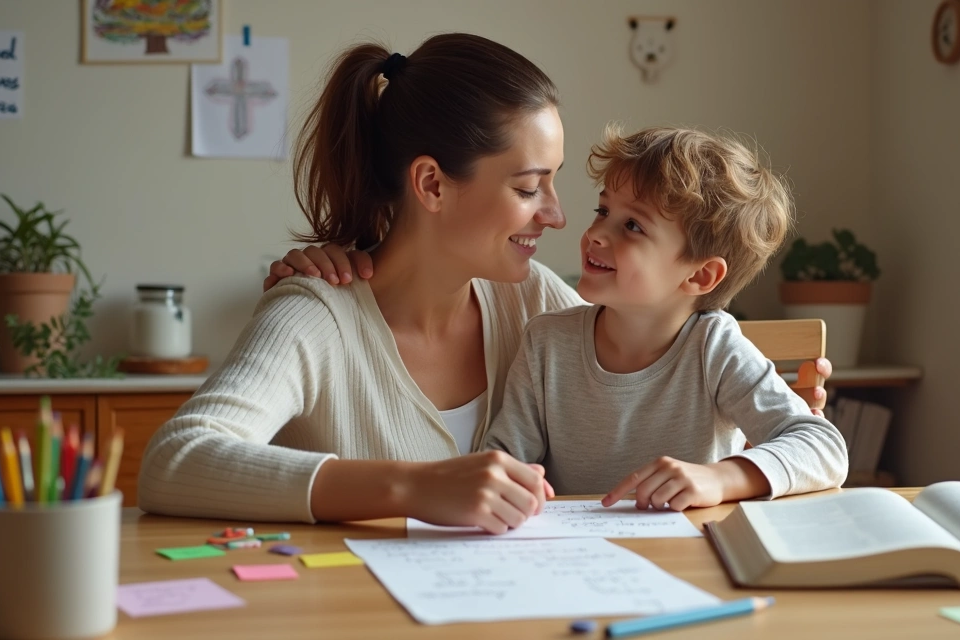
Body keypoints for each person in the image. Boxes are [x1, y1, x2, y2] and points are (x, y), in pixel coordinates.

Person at [139, 33, 830, 532]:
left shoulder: (536, 303)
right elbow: (175, 463)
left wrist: (757, 449)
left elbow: (667, 351)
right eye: (531, 187)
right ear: (433, 184)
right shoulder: (314, 317)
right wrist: (410, 487)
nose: (560, 217)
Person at [482, 125, 847, 510]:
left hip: (690, 552)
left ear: (699, 276)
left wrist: (721, 478)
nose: (597, 234)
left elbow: (824, 448)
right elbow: (502, 461)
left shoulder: (715, 348)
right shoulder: (546, 343)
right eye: (603, 210)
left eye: (633, 226)